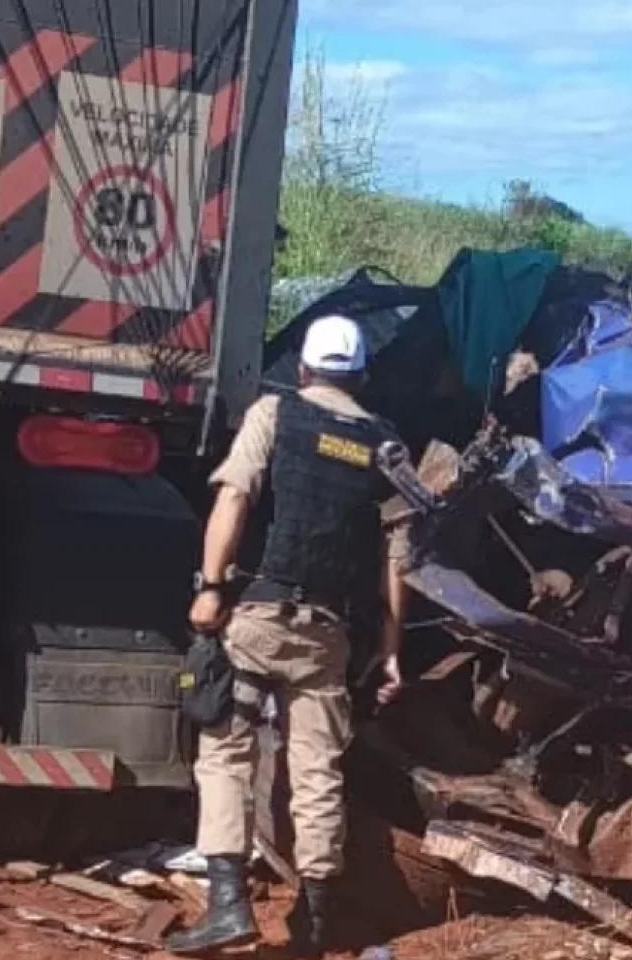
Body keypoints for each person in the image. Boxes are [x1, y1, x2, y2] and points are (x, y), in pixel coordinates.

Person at [166, 314, 408, 958]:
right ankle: (315, 924)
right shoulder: (385, 444)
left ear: (302, 370)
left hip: (259, 620)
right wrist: (391, 650)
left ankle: (228, 906)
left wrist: (211, 586)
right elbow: (396, 556)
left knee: (226, 751)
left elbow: (234, 498)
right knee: (317, 771)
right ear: (361, 378)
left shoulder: (275, 414)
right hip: (328, 633)